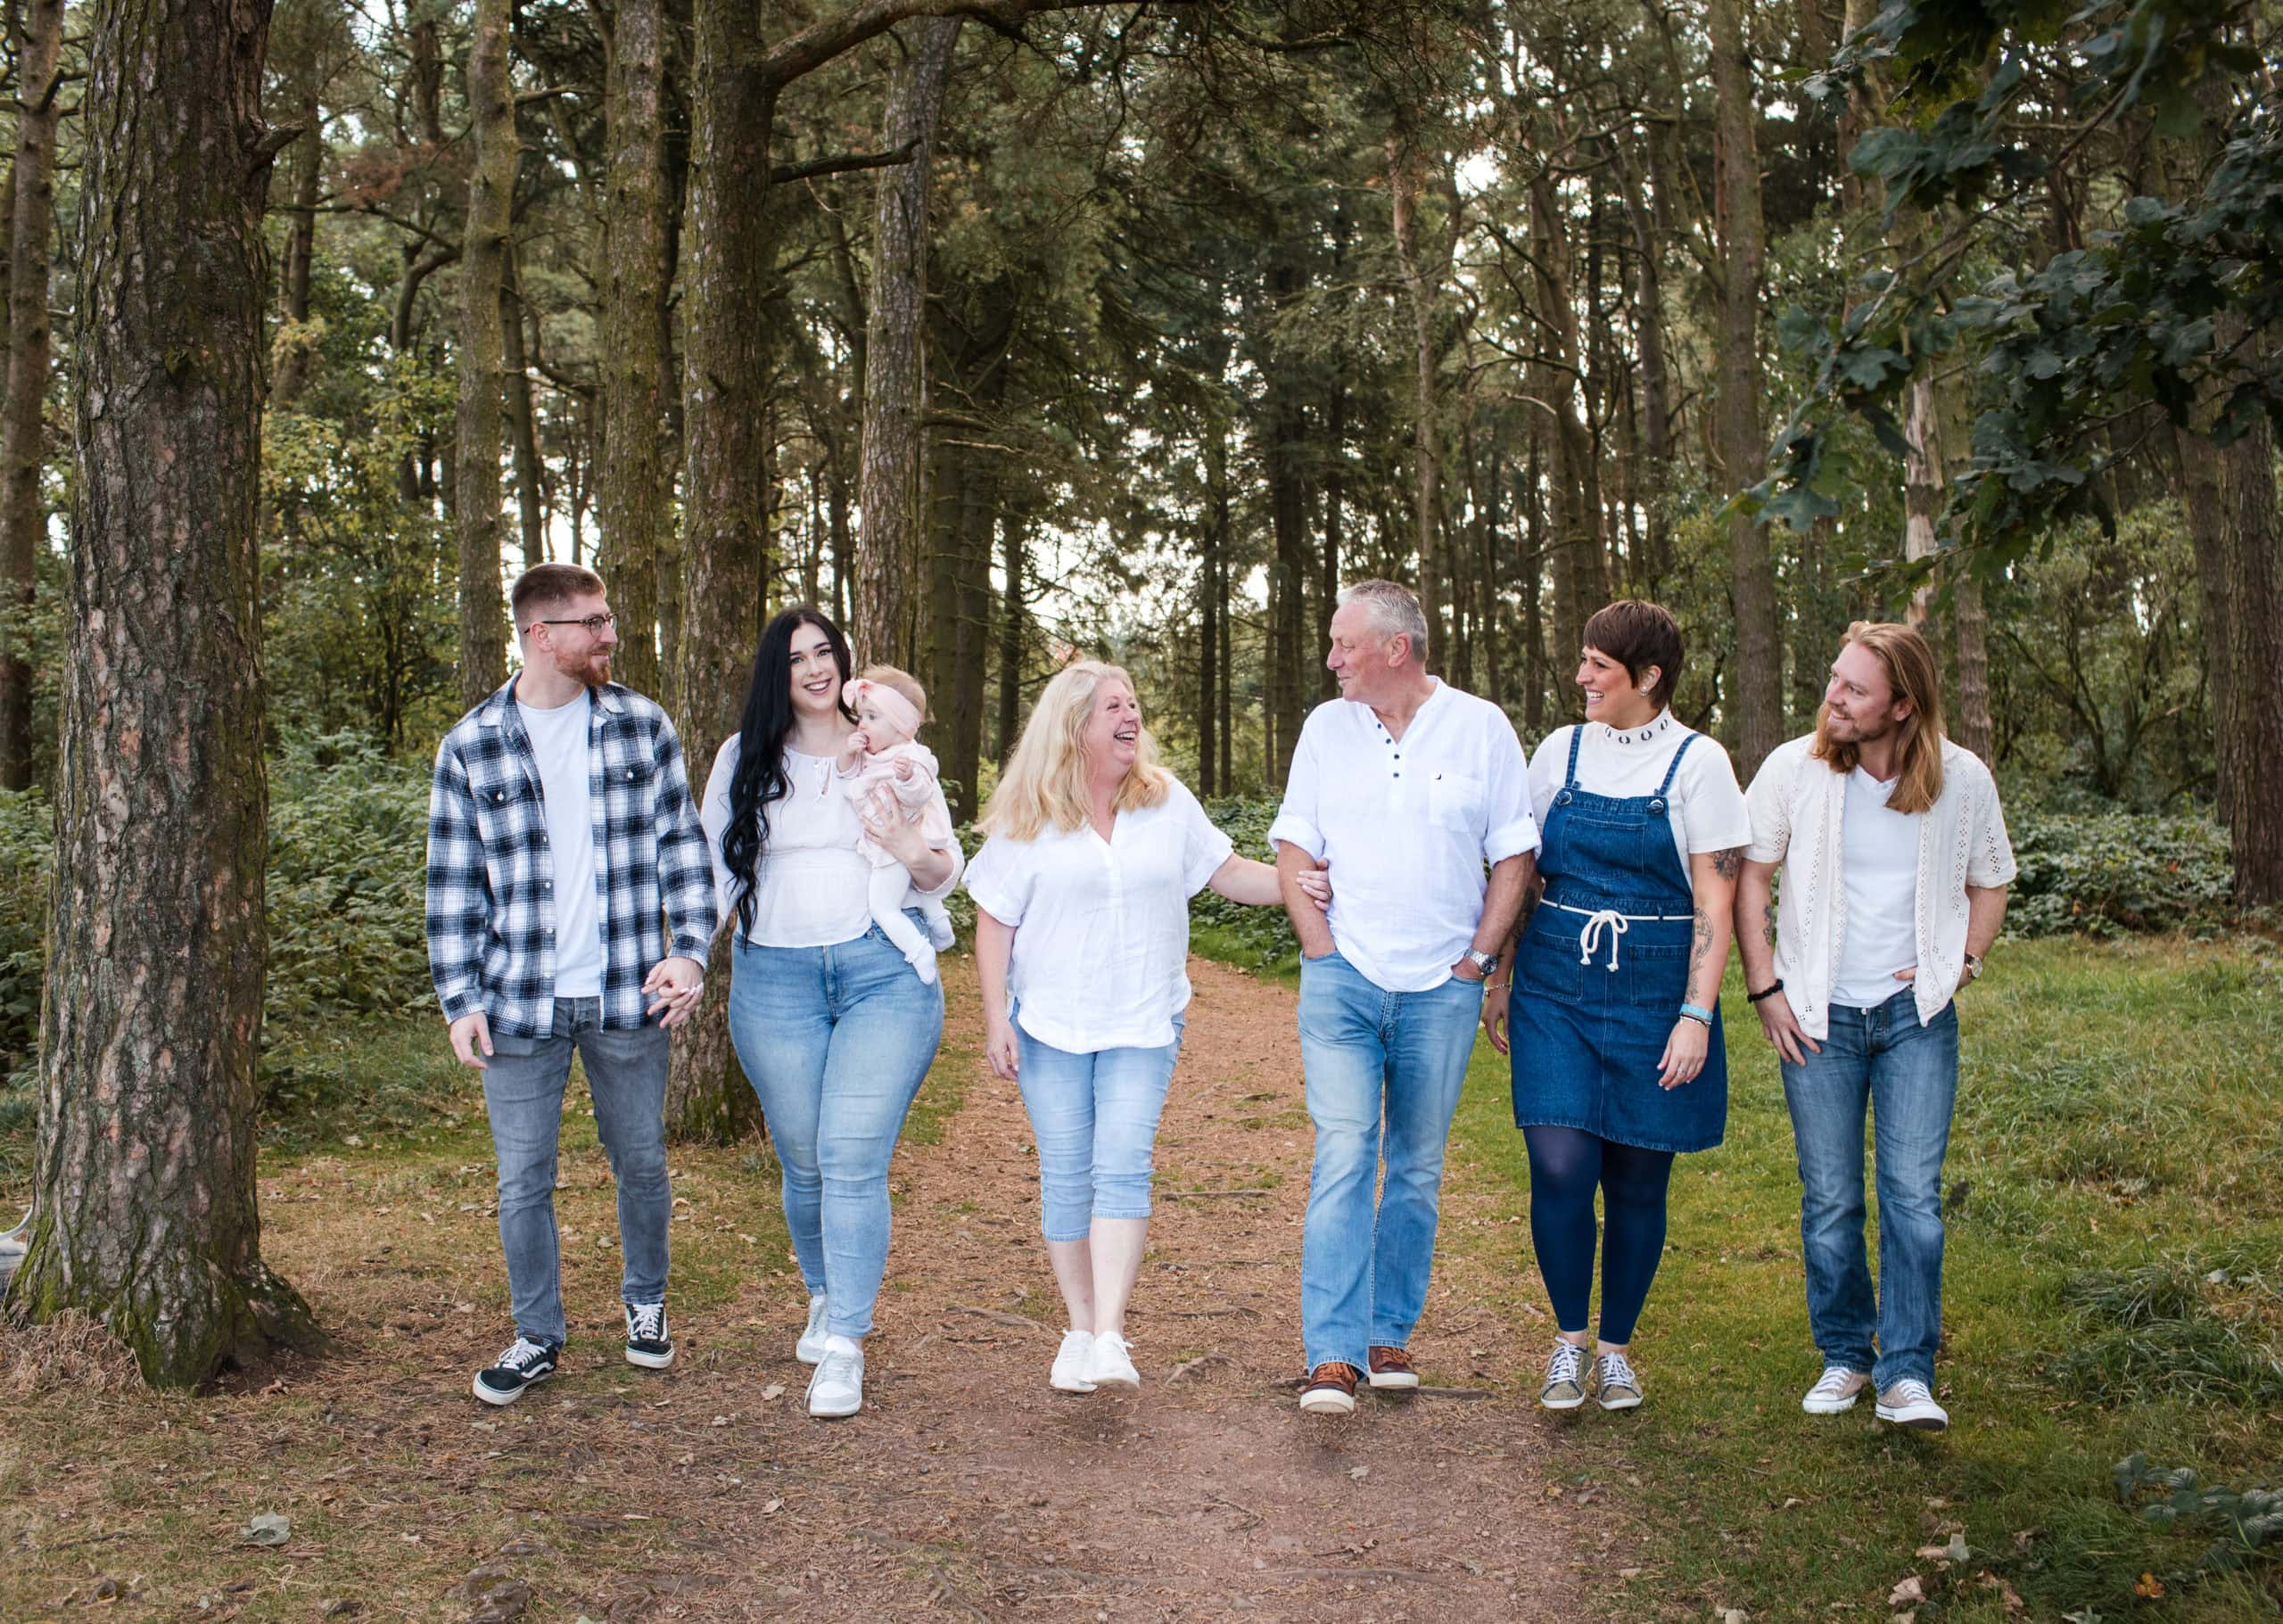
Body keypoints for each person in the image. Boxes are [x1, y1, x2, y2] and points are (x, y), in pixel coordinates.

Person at [966, 662, 1329, 1395]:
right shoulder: (1026, 815)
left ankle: (1109, 1336)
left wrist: (1301, 883)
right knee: (1067, 1172)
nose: (1130, 716)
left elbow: (1228, 872)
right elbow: (994, 920)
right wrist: (996, 1017)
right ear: (1075, 727)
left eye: (1133, 704)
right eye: (1112, 707)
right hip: (1049, 1025)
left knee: (1122, 1164)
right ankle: (1077, 1325)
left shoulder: (1166, 802)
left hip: (1142, 1018)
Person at [426, 563, 717, 1406]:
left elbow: (683, 852)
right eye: (591, 621)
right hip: (518, 1001)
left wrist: (691, 952)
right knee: (523, 1179)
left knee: (642, 1162)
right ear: (539, 635)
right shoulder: (472, 745)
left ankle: (647, 1304)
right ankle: (536, 1335)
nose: (609, 633)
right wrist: (460, 998)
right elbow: (454, 884)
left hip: (631, 992)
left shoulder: (641, 725)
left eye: (609, 617)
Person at [1735, 622, 2014, 1431]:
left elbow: (1991, 881)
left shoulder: (1962, 779)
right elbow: (1752, 878)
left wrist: (1961, 963)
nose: (1833, 697)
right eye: (1834, 679)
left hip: (1916, 1017)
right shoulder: (1795, 769)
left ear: (1902, 705)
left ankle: (1906, 1372)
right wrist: (1765, 988)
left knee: (1913, 1201)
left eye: (1854, 689)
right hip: (1818, 1016)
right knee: (1829, 1200)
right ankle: (1846, 1354)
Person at [1272, 580, 1537, 1416]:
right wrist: (1320, 950)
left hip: (1440, 988)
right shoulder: (1326, 727)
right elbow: (1291, 842)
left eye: (1344, 643)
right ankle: (1333, 1353)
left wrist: (1476, 963)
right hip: (1345, 978)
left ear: (1396, 648)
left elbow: (1513, 859)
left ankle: (1388, 1334)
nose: (1331, 658)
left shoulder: (1482, 727)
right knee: (1346, 1150)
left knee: (1415, 1168)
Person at [699, 606, 962, 1419]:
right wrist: (685, 956)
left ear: (846, 664)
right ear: (774, 675)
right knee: (806, 1159)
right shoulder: (744, 758)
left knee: (851, 1154)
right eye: (794, 657)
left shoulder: (891, 747)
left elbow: (942, 868)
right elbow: (712, 873)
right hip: (773, 979)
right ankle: (823, 1292)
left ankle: (845, 1341)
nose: (813, 667)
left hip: (882, 975)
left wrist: (909, 846)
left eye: (825, 652)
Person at [1488, 599, 1749, 1414]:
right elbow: (1520, 868)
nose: (1582, 677)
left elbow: (1719, 892)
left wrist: (1696, 1014)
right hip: (1556, 985)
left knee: (1638, 1176)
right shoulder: (1557, 751)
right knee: (1560, 1164)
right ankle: (1567, 1342)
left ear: (1649, 677)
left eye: (1599, 665)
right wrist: (1498, 973)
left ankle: (1616, 1350)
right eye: (1585, 660)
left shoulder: (1701, 764)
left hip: (1654, 989)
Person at [837, 664, 957, 985]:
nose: (862, 725)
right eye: (862, 716)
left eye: (873, 717)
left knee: (883, 905)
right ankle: (939, 921)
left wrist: (906, 779)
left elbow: (920, 793)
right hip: (891, 843)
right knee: (912, 884)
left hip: (892, 845)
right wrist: (848, 756)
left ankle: (919, 951)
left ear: (902, 726)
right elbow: (849, 775)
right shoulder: (876, 753)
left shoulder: (911, 757)